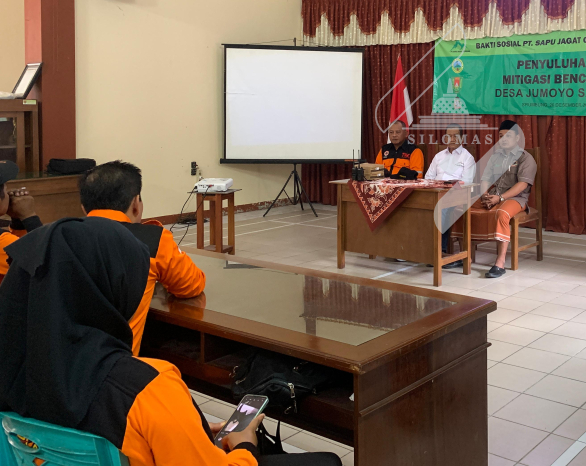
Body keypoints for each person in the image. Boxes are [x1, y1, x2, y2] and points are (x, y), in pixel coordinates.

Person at [0, 216, 341, 466]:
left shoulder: (13, 369)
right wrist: (244, 446)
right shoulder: (149, 389)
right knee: (327, 461)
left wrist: (188, 430)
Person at [80, 160, 206, 356]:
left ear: (83, 208)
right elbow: (191, 285)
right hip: (111, 367)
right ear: (136, 204)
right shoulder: (151, 241)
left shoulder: (55, 238)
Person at [467, 120, 537, 279]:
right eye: (501, 136)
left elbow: (522, 185)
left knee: (502, 213)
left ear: (517, 138)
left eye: (508, 136)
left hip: (516, 199)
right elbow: (485, 178)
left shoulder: (526, 158)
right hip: (494, 195)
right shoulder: (495, 157)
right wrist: (485, 194)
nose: (504, 139)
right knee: (464, 209)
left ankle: (500, 262)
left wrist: (500, 198)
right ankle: (467, 256)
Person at [425, 124, 476, 269]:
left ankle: (438, 251)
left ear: (462, 138)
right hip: (435, 192)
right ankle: (419, 248)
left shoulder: (467, 157)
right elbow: (428, 177)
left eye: (455, 136)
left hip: (457, 195)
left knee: (442, 208)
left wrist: (448, 190)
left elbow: (467, 181)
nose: (452, 139)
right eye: (449, 136)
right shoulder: (439, 156)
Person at [0, 160, 42, 281]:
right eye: (5, 189)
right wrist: (30, 217)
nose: (9, 195)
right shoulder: (3, 242)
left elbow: (22, 245)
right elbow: (47, 265)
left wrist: (18, 221)